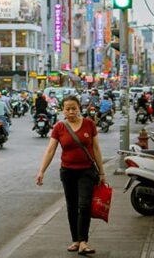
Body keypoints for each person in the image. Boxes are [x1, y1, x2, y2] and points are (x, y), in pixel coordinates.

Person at [36, 95, 106, 256]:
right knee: (72, 206)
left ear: (79, 108)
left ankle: (83, 241)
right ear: (63, 110)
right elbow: (50, 150)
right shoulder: (59, 127)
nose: (71, 111)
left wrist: (102, 172)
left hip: (87, 171)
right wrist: (41, 171)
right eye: (68, 109)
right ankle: (75, 240)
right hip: (67, 172)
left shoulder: (89, 124)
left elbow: (96, 149)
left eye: (74, 108)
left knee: (84, 205)